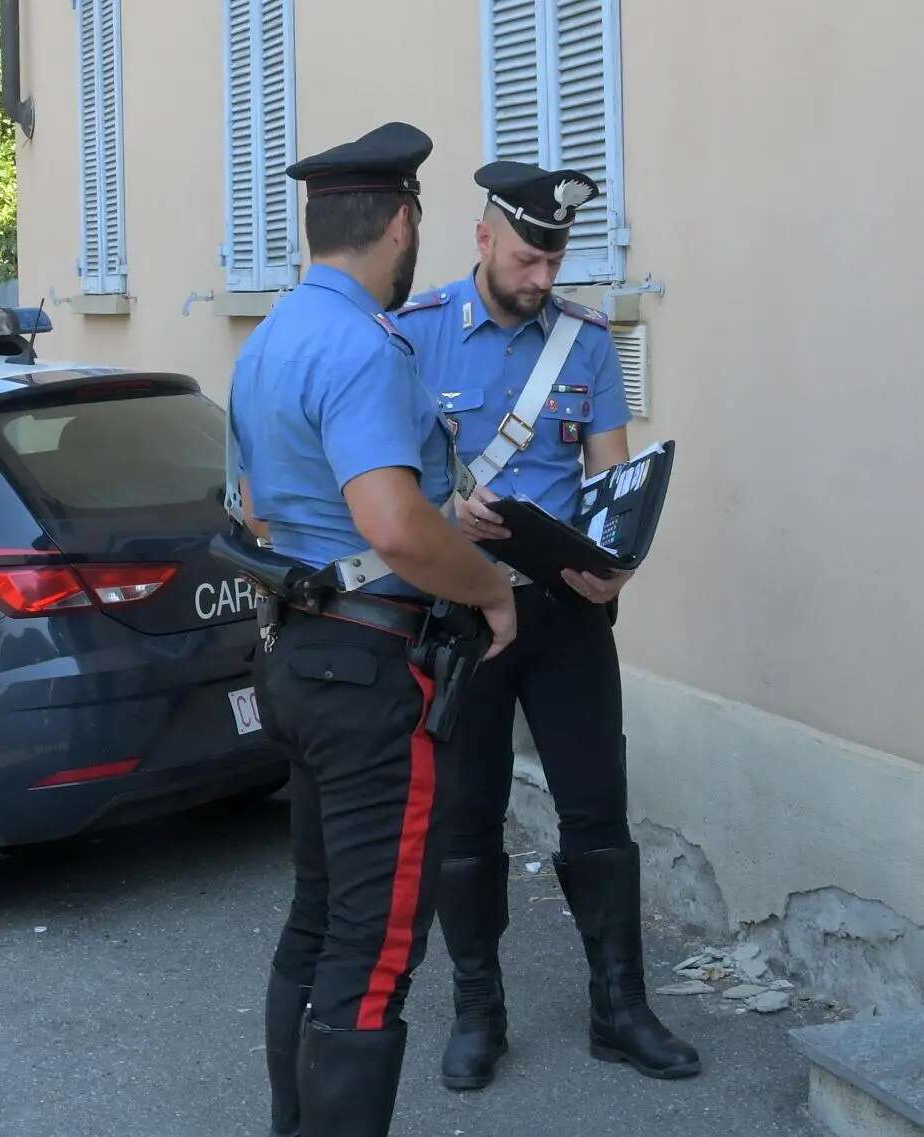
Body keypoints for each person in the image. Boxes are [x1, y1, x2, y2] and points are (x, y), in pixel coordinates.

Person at [230, 122, 518, 1137]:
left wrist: (432, 526)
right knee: (375, 945)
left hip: (297, 659)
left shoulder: (266, 341)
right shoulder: (362, 346)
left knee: (316, 919)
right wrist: (487, 586)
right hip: (368, 674)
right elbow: (391, 526)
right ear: (401, 221)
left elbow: (262, 510)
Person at [393, 161, 701, 1092]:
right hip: (460, 610)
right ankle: (479, 1011)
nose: (540, 279)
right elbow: (391, 492)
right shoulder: (415, 339)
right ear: (484, 239)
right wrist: (451, 518)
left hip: (564, 612)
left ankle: (620, 1008)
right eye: (527, 257)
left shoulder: (587, 343)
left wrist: (617, 565)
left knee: (597, 811)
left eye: (553, 262)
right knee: (468, 820)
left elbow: (612, 481)